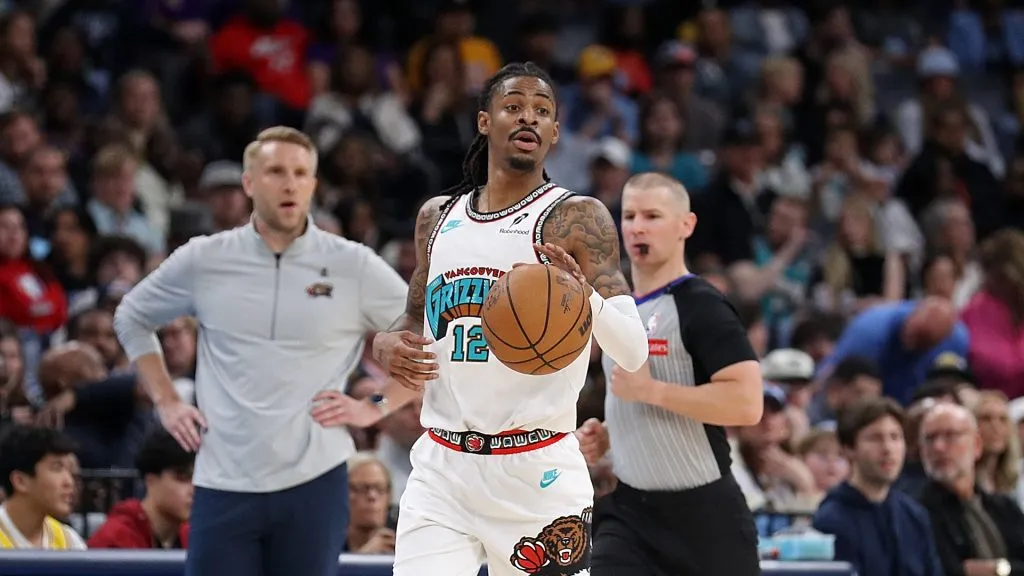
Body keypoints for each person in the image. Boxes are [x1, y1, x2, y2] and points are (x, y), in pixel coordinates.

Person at [339, 62, 649, 576]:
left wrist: (583, 298)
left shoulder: (577, 217)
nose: (528, 117)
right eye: (513, 106)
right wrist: (385, 346)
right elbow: (415, 321)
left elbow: (634, 352)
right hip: (443, 466)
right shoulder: (437, 218)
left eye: (542, 111)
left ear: (554, 132)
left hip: (538, 470)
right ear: (485, 122)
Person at [113, 126, 409, 576]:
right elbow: (131, 316)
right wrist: (167, 400)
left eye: (300, 173)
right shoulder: (205, 257)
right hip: (222, 481)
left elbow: (432, 338)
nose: (289, 183)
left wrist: (376, 406)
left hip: (316, 480)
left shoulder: (354, 265)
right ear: (250, 183)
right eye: (275, 171)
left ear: (313, 184)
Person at [579, 172, 764, 576]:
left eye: (652, 215)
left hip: (705, 520)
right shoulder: (617, 308)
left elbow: (748, 404)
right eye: (628, 216)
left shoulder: (703, 306)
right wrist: (611, 433)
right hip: (629, 516)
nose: (637, 227)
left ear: (686, 225)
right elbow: (633, 395)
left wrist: (651, 392)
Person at [88, 428, 194, 549]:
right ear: (151, 480)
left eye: (198, 479)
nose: (194, 489)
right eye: (183, 478)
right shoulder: (114, 539)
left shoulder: (193, 538)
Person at [0, 425, 87, 550]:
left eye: (70, 471)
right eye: (57, 468)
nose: (69, 482)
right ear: (20, 481)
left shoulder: (68, 541)